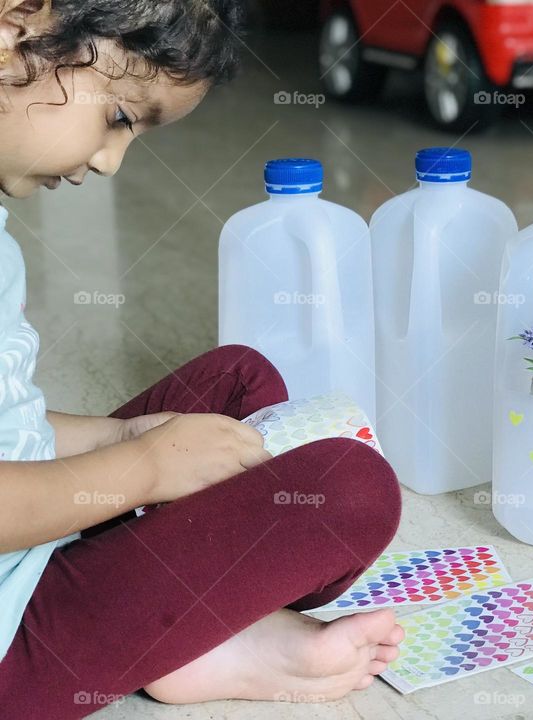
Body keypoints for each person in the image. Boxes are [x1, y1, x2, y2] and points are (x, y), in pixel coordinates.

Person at [0, 2, 404, 718]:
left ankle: (179, 630)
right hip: (11, 648)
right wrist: (144, 469)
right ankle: (193, 642)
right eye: (119, 117)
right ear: (13, 28)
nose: (110, 160)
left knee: (237, 380)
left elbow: (10, 424)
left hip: (29, 551)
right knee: (349, 491)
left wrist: (121, 436)